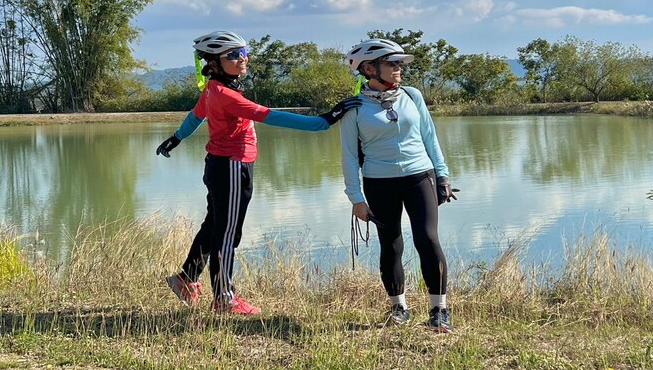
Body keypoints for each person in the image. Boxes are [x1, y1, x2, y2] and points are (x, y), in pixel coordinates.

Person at [156, 30, 360, 315]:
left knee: (214, 225)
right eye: (234, 55)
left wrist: (176, 138)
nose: (243, 59)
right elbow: (270, 116)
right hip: (232, 167)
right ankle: (225, 298)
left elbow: (195, 117)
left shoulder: (213, 90)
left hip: (219, 164)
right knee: (227, 235)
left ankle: (186, 279)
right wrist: (326, 120)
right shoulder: (225, 94)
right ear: (214, 63)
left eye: (243, 53)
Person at [340, 38, 457, 331]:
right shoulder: (353, 108)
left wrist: (442, 175)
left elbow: (430, 137)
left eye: (399, 64)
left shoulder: (412, 96)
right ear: (369, 68)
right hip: (379, 182)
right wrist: (356, 198)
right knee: (391, 245)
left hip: (421, 176)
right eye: (392, 64)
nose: (398, 69)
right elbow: (349, 156)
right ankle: (398, 307)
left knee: (428, 239)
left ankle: (439, 309)